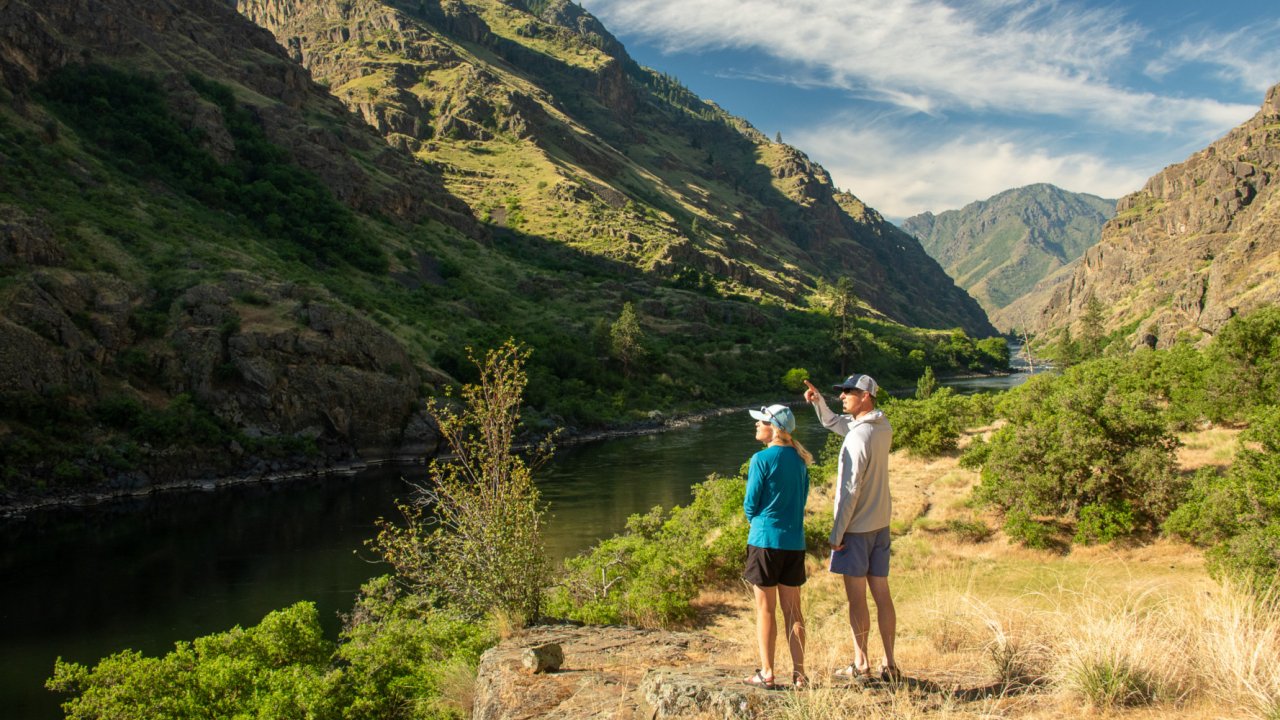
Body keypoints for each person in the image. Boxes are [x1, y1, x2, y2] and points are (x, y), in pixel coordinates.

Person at [803, 375, 900, 682]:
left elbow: (849, 489)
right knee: (882, 594)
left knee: (856, 599)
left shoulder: (858, 438)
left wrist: (837, 533)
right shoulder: (882, 427)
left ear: (867, 397)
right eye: (842, 392)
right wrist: (819, 402)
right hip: (880, 524)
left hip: (856, 529)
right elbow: (840, 424)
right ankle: (890, 662)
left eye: (850, 392)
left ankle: (861, 663)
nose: (843, 396)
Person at [741, 403, 814, 690]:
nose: (756, 425)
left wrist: (758, 523)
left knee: (765, 610)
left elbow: (750, 503)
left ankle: (768, 672)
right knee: (793, 610)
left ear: (773, 428)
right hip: (793, 542)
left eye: (760, 422)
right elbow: (803, 499)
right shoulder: (800, 460)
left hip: (765, 541)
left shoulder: (761, 460)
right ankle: (799, 674)